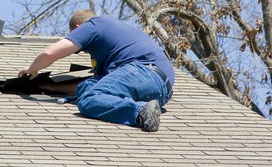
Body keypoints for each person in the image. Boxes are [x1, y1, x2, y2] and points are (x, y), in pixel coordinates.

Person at [18, 9, 174, 132]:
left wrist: (32, 69)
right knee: (89, 87)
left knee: (88, 99)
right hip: (160, 90)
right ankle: (146, 108)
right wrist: (54, 88)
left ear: (78, 29)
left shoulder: (93, 25)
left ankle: (140, 111)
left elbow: (51, 52)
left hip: (145, 72)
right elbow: (94, 85)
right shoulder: (114, 40)